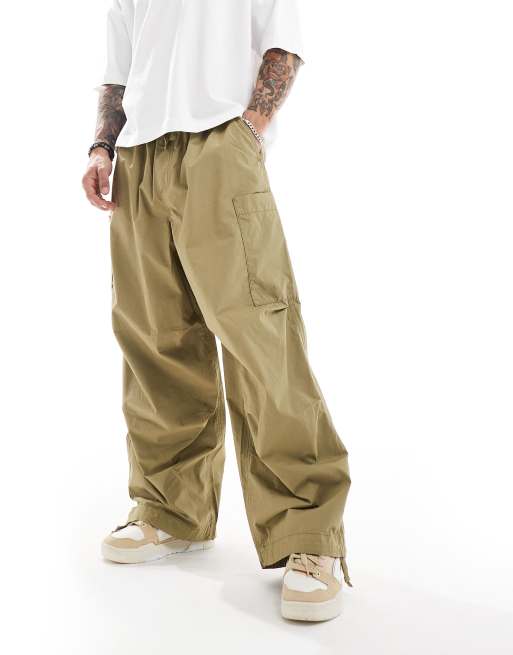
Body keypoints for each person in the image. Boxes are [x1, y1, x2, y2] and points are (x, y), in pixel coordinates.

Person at [82, 0, 351, 622]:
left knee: (261, 339)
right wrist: (102, 146)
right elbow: (119, 69)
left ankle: (310, 534)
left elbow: (282, 43)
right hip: (138, 156)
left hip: (219, 143)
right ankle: (171, 510)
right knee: (155, 341)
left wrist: (248, 130)